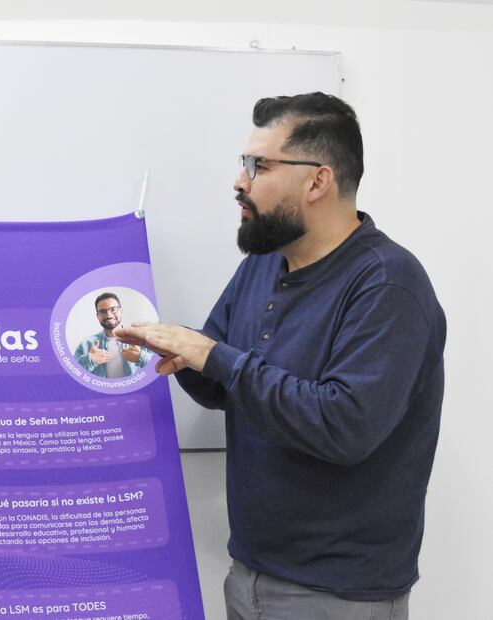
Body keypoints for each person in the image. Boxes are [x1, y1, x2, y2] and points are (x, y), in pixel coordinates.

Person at [116, 93, 445, 619]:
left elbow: (343, 427)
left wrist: (212, 356)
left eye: (258, 165)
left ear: (318, 180)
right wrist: (178, 352)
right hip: (249, 574)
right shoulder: (263, 264)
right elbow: (225, 381)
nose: (239, 181)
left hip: (338, 595)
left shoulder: (387, 284)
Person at [73, 292, 153, 378]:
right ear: (98, 316)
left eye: (113, 309)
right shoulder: (85, 344)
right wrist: (90, 359)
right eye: (103, 311)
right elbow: (72, 374)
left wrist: (141, 357)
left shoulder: (142, 339)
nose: (109, 315)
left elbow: (160, 369)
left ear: (121, 311)